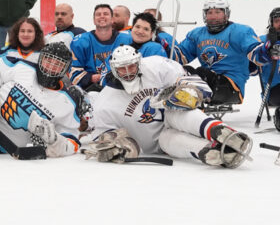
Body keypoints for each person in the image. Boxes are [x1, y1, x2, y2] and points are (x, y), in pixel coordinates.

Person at [86, 45, 252, 168]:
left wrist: (187, 92)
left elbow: (194, 82)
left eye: (131, 66)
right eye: (122, 69)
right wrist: (116, 145)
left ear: (138, 62)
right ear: (114, 70)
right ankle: (214, 153)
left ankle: (224, 133)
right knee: (174, 142)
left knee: (181, 114)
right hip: (158, 144)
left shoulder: (156, 66)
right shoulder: (104, 103)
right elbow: (102, 137)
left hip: (172, 114)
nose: (128, 72)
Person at [175, 0, 261, 108]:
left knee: (201, 73)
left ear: (226, 14)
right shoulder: (197, 34)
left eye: (218, 12)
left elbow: (256, 51)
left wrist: (267, 51)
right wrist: (163, 48)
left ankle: (191, 105)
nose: (213, 16)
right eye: (210, 12)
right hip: (208, 81)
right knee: (183, 71)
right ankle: (176, 100)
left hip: (232, 87)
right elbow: (178, 57)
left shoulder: (239, 31)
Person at [69, 3, 129, 91]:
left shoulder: (126, 39)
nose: (102, 16)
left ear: (112, 19)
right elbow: (74, 74)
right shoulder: (80, 41)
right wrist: (95, 78)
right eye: (98, 14)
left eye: (105, 14)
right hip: (89, 92)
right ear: (93, 20)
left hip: (119, 90)